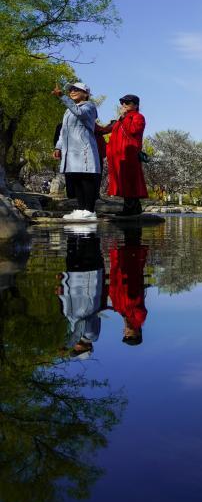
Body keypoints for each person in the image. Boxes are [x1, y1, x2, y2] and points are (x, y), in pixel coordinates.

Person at [52, 82, 101, 217]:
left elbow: (79, 113)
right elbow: (63, 131)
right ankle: (80, 209)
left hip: (83, 149)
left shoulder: (89, 106)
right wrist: (58, 147)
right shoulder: (68, 110)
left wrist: (62, 96)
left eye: (76, 89)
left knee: (86, 178)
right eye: (70, 90)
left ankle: (89, 210)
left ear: (85, 94)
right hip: (71, 151)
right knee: (76, 178)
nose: (72, 91)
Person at [97, 94, 148, 216]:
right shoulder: (120, 120)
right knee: (122, 181)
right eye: (122, 102)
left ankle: (131, 208)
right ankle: (131, 207)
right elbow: (103, 130)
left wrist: (124, 118)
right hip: (117, 156)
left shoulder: (138, 117)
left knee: (130, 180)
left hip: (129, 154)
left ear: (135, 105)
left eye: (128, 102)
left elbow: (133, 130)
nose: (124, 104)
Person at [59, 226, 105, 358]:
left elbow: (68, 309)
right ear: (88, 347)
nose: (76, 347)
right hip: (87, 280)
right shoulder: (92, 335)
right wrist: (68, 344)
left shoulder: (75, 331)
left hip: (73, 282)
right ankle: (88, 224)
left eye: (75, 349)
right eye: (78, 350)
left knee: (72, 247)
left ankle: (74, 226)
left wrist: (62, 289)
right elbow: (82, 322)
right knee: (88, 245)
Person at [108, 226, 149, 345]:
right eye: (130, 335)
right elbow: (136, 304)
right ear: (138, 332)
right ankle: (132, 223)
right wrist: (127, 318)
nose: (126, 332)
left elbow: (113, 290)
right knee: (132, 241)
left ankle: (127, 223)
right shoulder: (139, 318)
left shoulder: (122, 313)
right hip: (130, 271)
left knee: (123, 241)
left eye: (126, 335)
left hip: (120, 272)